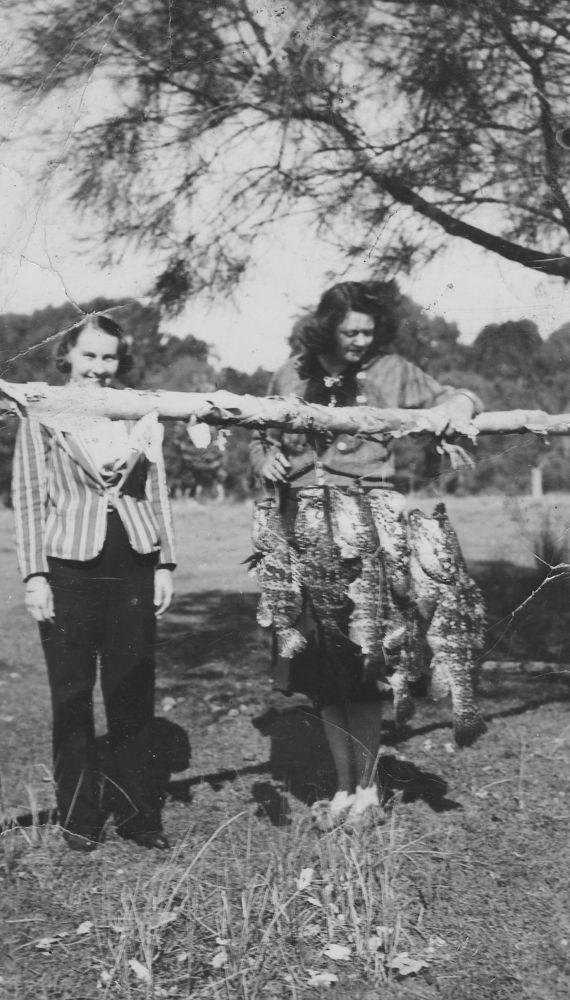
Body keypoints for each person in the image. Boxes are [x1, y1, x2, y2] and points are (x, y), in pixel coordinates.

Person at [249, 280, 481, 826]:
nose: (359, 340)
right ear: (327, 325)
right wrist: (264, 459)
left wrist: (458, 406)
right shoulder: (291, 373)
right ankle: (343, 785)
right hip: (302, 524)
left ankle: (370, 791)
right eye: (350, 330)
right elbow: (258, 430)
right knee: (323, 670)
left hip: (368, 524)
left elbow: (458, 395)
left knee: (366, 659)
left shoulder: (393, 370)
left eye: (368, 331)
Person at [12, 314, 177, 852]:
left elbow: (157, 492)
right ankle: (79, 817)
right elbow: (31, 498)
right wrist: (35, 575)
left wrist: (164, 564)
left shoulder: (139, 410)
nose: (100, 369)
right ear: (68, 358)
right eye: (89, 356)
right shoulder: (42, 410)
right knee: (73, 694)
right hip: (69, 567)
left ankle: (137, 816)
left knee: (131, 690)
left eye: (109, 358)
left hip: (131, 559)